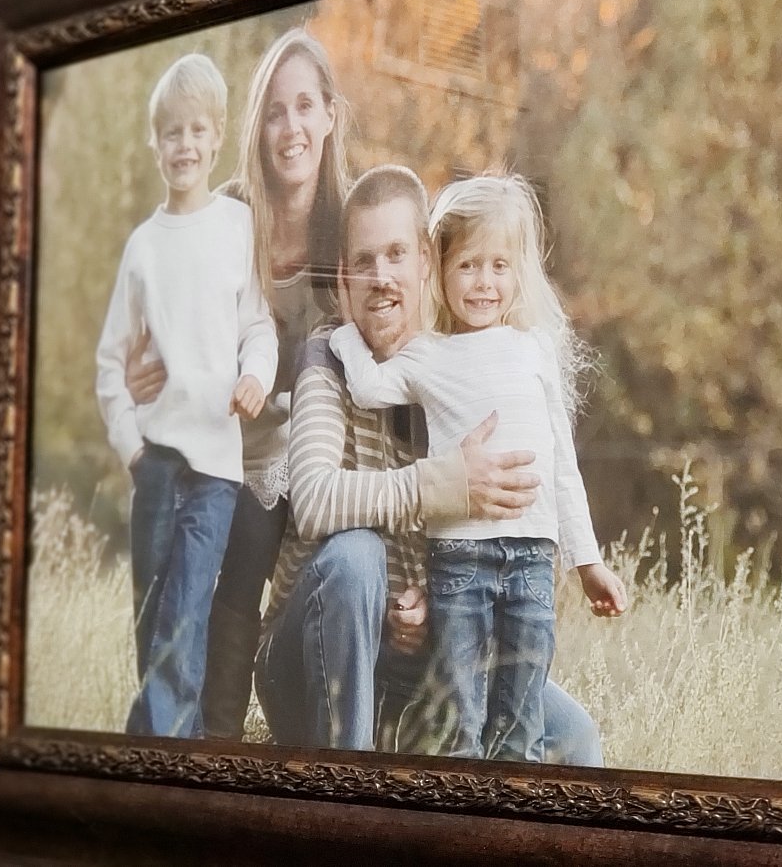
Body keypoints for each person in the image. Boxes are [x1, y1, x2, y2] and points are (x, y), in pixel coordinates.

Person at [255, 164, 604, 765]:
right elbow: (312, 498)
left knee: (573, 736)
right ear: (343, 277)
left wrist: (429, 606)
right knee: (356, 554)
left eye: (396, 255)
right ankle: (347, 785)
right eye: (364, 261)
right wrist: (441, 485)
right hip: (305, 656)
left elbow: (487, 541)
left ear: (426, 262)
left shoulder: (460, 364)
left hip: (412, 656)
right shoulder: (330, 358)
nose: (382, 276)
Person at [124, 28, 350, 739]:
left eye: (305, 106)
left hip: (317, 461)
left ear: (330, 116)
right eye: (276, 110)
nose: (291, 127)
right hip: (228, 454)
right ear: (257, 123)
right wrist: (143, 369)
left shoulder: (347, 230)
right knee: (217, 559)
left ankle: (278, 732)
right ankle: (203, 742)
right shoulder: (222, 215)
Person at [94, 52, 278, 738]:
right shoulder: (143, 247)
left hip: (217, 473)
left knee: (188, 609)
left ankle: (166, 759)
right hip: (158, 463)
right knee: (152, 619)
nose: (185, 146)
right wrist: (132, 447)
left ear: (217, 135)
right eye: (172, 132)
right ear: (155, 142)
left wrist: (256, 375)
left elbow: (257, 324)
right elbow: (112, 363)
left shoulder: (235, 227)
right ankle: (165, 747)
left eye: (198, 131)